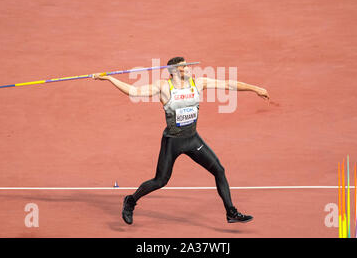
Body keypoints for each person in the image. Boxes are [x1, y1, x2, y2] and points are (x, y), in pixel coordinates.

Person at [92, 57, 269, 224]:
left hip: (192, 139)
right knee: (160, 181)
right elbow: (134, 91)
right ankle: (130, 200)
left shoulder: (198, 83)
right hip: (172, 142)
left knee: (219, 170)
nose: (188, 68)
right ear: (175, 71)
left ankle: (231, 213)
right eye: (184, 66)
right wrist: (109, 79)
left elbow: (228, 84)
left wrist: (255, 89)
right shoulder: (163, 87)